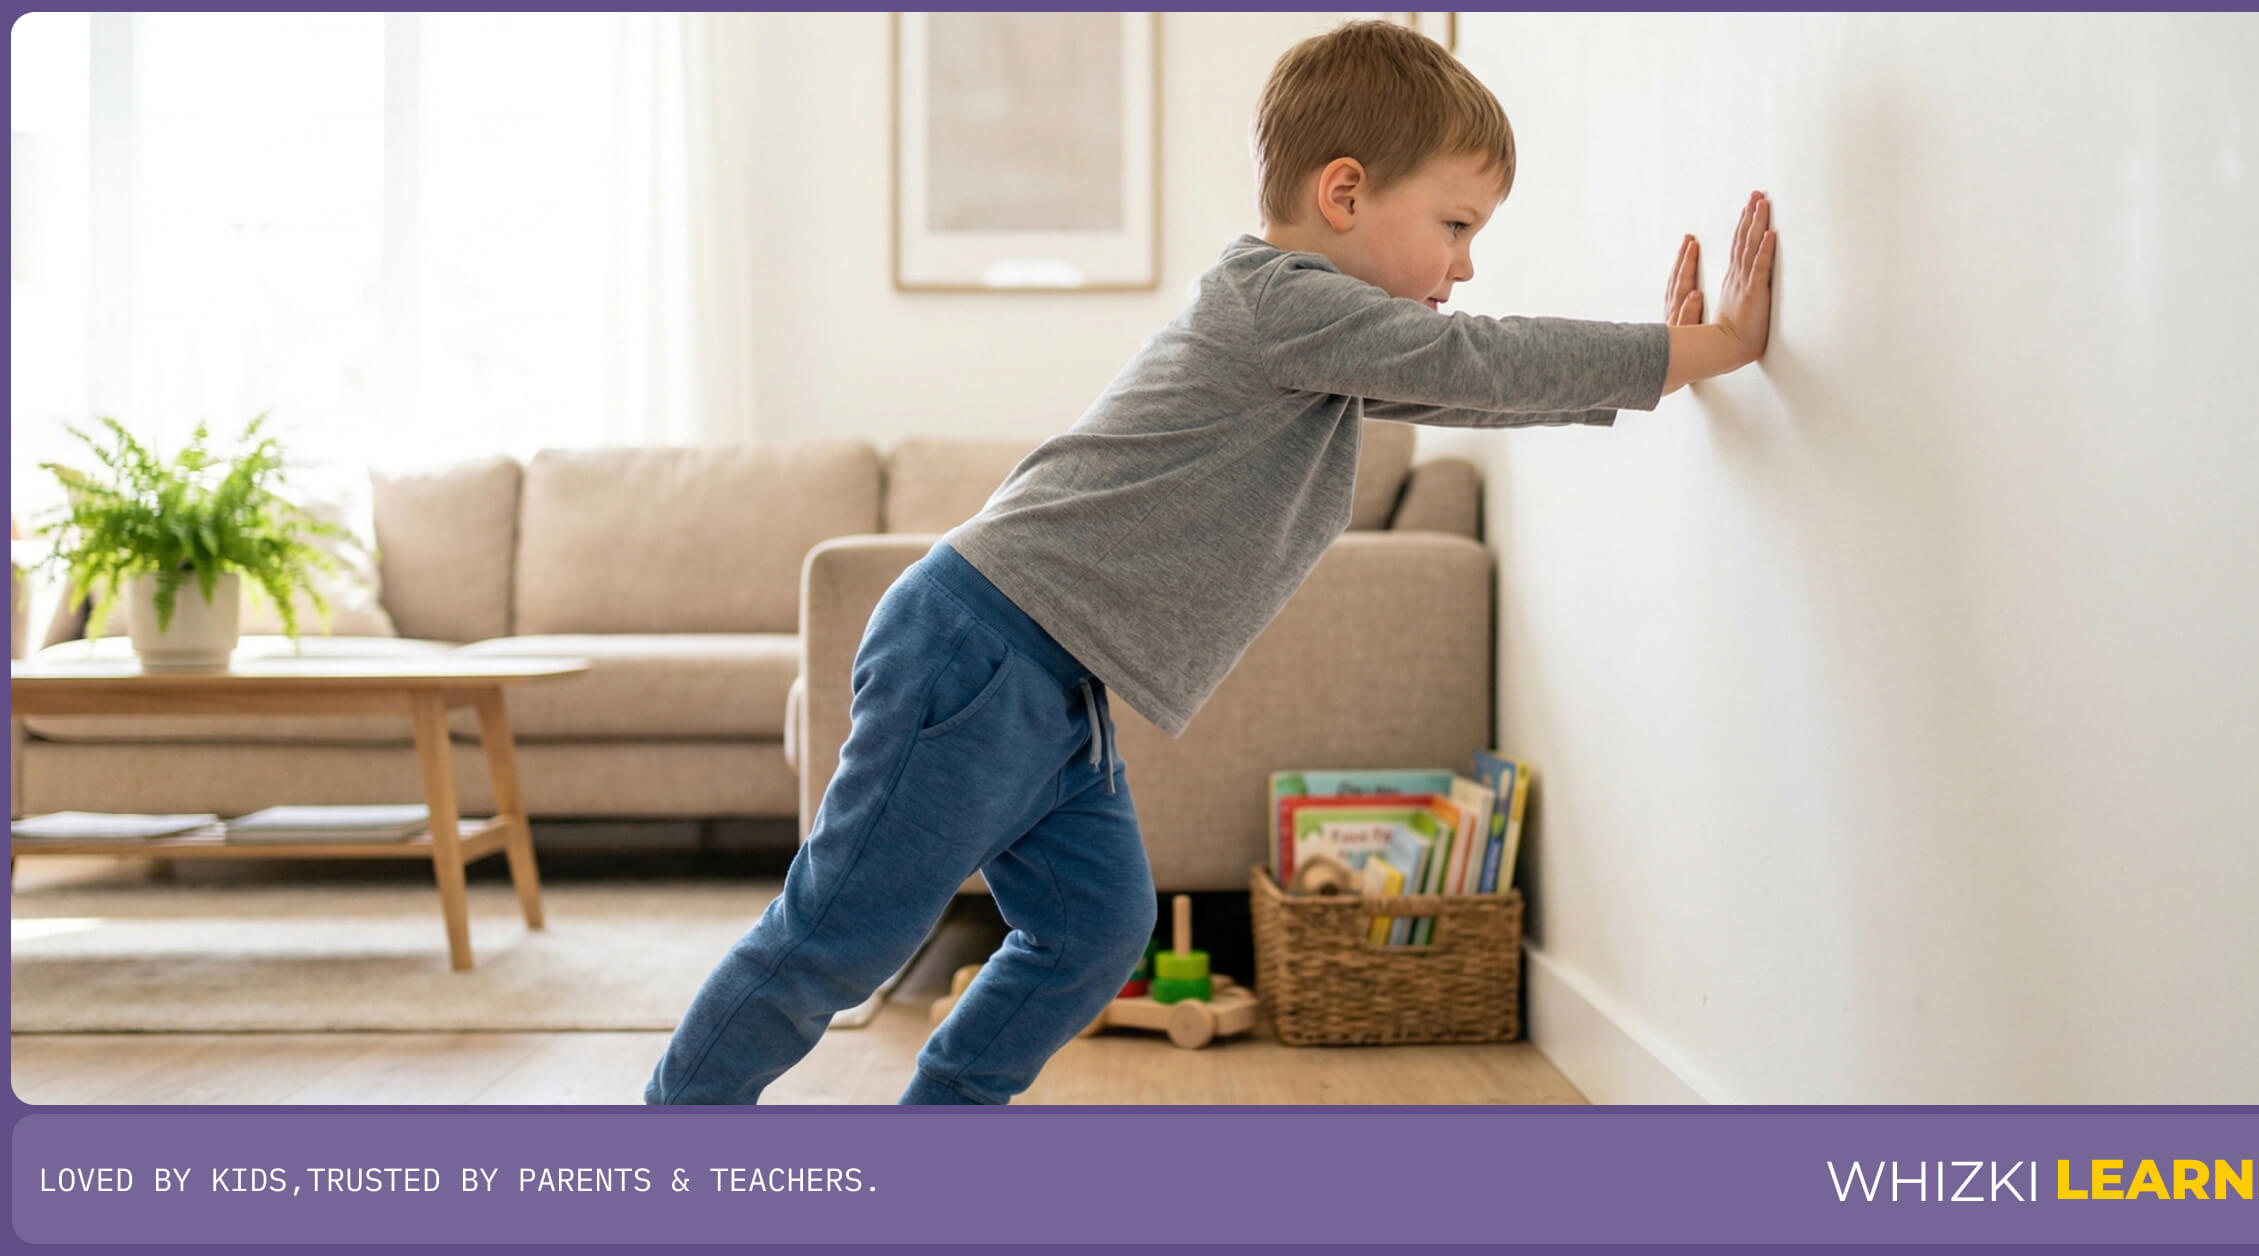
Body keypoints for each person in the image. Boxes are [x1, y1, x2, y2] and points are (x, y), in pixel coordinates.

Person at [644, 19, 1775, 1106]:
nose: (1466, 263)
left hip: (1056, 682)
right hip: (980, 650)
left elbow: (1469, 383)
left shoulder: (1319, 340)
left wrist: (1664, 365)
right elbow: (1478, 358)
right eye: (1456, 225)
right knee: (838, 937)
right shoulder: (1279, 303)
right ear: (1345, 193)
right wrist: (1706, 344)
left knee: (1093, 931)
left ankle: (946, 1121)